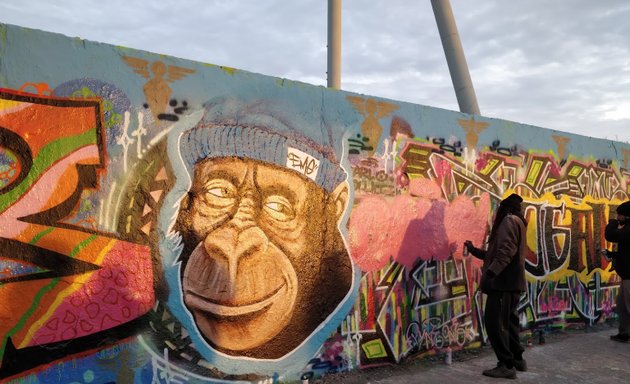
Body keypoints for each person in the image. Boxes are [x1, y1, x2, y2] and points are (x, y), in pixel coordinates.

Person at [464, 193, 528, 379]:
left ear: (506, 208)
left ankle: (506, 365)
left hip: (502, 284)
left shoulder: (508, 221)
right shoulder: (519, 223)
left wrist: (492, 273)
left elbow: (506, 252)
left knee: (495, 324)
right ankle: (517, 359)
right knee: (509, 323)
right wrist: (474, 250)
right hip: (511, 283)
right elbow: (498, 254)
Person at [605, 200, 630, 343]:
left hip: (628, 276)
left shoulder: (628, 229)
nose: (618, 217)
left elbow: (611, 235)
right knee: (622, 306)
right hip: (626, 275)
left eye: (620, 214)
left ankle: (625, 333)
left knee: (626, 306)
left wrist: (613, 223)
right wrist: (612, 254)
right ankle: (624, 333)